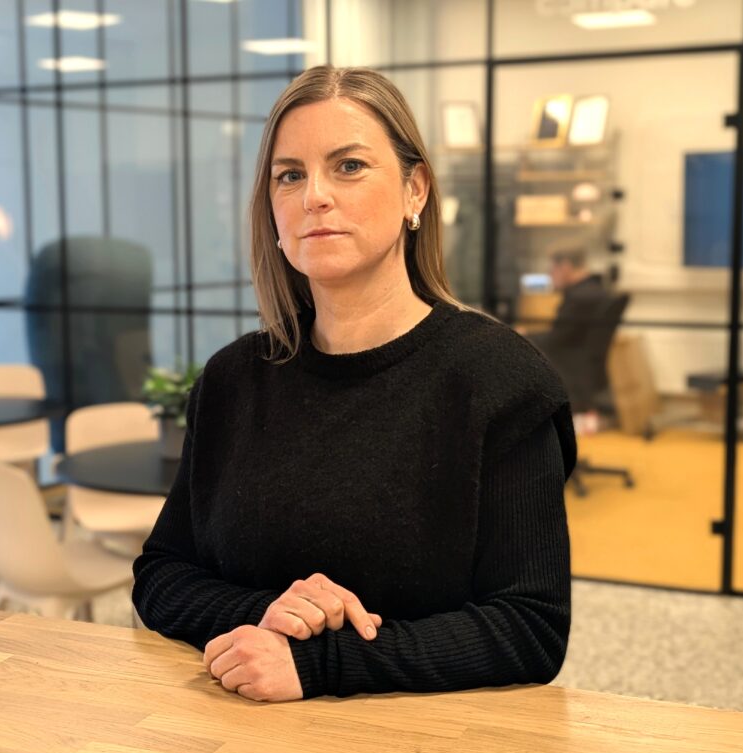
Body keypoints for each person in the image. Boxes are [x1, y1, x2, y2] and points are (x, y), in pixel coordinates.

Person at [132, 65, 576, 702]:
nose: (314, 196)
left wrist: (321, 662)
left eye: (348, 166)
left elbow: (530, 628)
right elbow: (161, 574)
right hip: (235, 731)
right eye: (290, 175)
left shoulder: (500, 380)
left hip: (421, 739)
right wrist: (271, 615)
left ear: (414, 191)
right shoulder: (233, 379)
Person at [527, 246, 611, 412]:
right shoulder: (594, 290)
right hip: (583, 366)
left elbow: (554, 340)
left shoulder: (580, 297)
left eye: (552, 269)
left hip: (569, 369)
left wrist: (523, 335)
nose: (550, 275)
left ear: (565, 267)